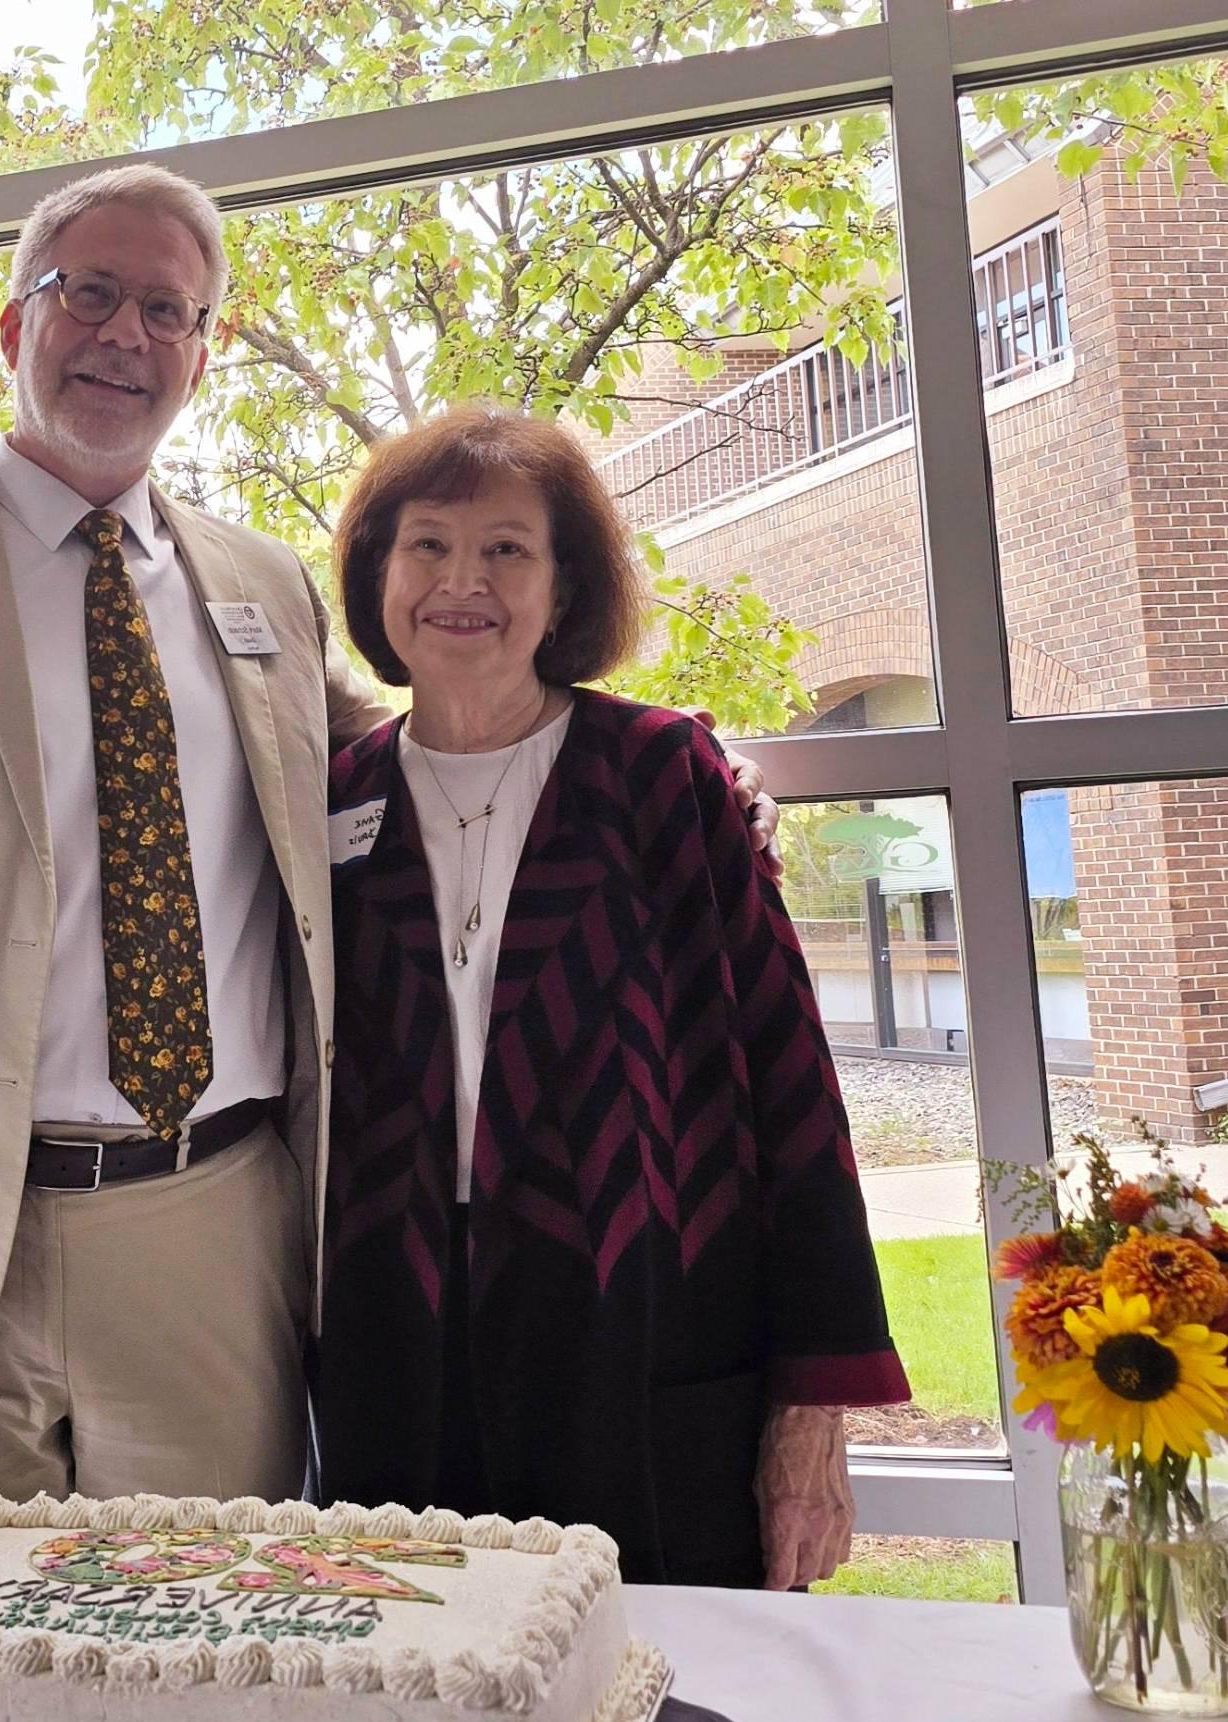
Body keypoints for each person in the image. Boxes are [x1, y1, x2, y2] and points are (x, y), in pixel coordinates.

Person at [0, 163, 783, 1546]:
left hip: (214, 1224)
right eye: (89, 293)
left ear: (203, 353)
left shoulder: (264, 588)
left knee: (217, 1672)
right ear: (12, 324)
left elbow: (422, 755)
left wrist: (680, 765)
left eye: (168, 309)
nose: (124, 336)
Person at [317, 408, 908, 1589]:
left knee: (668, 1707)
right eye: (425, 545)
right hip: (397, 1349)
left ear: (562, 584)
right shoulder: (329, 800)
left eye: (505, 550)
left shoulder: (658, 775)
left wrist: (810, 1410)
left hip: (642, 1336)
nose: (460, 582)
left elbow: (788, 1084)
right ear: (378, 573)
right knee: (419, 1696)